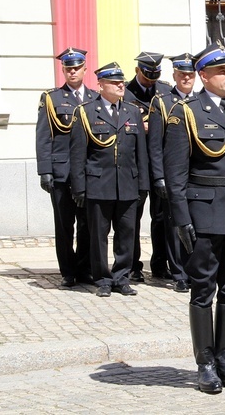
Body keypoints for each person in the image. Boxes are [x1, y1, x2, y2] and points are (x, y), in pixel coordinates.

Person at [163, 43, 225, 393]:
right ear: (203, 76)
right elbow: (175, 172)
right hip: (203, 212)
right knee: (203, 289)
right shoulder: (185, 112)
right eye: (221, 72)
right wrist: (181, 218)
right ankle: (205, 363)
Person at [69, 62, 149, 297]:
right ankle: (102, 278)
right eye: (114, 82)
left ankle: (121, 277)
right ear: (101, 85)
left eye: (121, 81)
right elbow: (78, 153)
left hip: (127, 184)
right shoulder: (86, 112)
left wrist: (143, 184)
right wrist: (79, 187)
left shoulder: (132, 111)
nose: (120, 85)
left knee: (126, 234)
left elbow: (140, 153)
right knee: (98, 236)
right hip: (98, 184)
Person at [36, 47, 96, 287]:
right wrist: (45, 170)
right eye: (68, 68)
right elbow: (43, 136)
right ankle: (68, 271)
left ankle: (85, 268)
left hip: (88, 172)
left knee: (87, 223)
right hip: (61, 172)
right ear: (63, 69)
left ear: (84, 69)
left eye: (77, 68)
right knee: (64, 224)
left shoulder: (95, 98)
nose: (72, 72)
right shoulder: (51, 98)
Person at [147, 53, 196, 292]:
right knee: (174, 224)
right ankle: (179, 273)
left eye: (190, 74)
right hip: (172, 175)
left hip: (197, 176)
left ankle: (194, 268)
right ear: (174, 75)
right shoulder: (163, 102)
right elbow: (155, 144)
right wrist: (158, 176)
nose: (187, 78)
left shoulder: (200, 101)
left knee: (195, 223)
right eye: (182, 74)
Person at [123, 51, 172, 282]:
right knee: (132, 216)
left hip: (160, 161)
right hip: (135, 162)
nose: (151, 80)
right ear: (137, 71)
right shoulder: (125, 92)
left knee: (161, 217)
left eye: (155, 75)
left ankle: (160, 265)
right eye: (146, 75)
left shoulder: (165, 90)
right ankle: (133, 265)